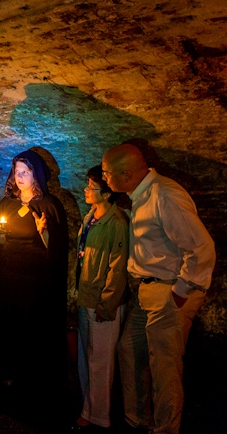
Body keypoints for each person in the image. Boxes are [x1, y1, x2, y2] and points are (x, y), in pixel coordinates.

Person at [102, 141, 216, 434]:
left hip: (168, 292)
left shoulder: (164, 195)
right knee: (130, 350)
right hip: (146, 292)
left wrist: (180, 291)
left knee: (164, 368)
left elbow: (201, 248)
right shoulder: (139, 195)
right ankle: (138, 420)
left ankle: (166, 429)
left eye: (107, 173)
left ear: (127, 174)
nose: (104, 178)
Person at [0, 149, 69, 407]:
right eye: (17, 171)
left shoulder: (49, 205)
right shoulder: (7, 203)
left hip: (34, 280)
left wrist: (44, 232)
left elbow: (57, 250)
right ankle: (4, 373)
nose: (20, 177)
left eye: (25, 172)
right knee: (7, 326)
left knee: (30, 329)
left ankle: (30, 380)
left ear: (36, 175)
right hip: (7, 276)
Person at [73, 165, 129, 430]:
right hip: (86, 297)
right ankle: (89, 408)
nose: (86, 190)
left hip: (102, 302)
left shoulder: (116, 224)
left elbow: (117, 268)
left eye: (91, 186)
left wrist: (107, 303)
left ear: (107, 194)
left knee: (101, 362)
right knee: (86, 357)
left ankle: (99, 417)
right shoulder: (90, 218)